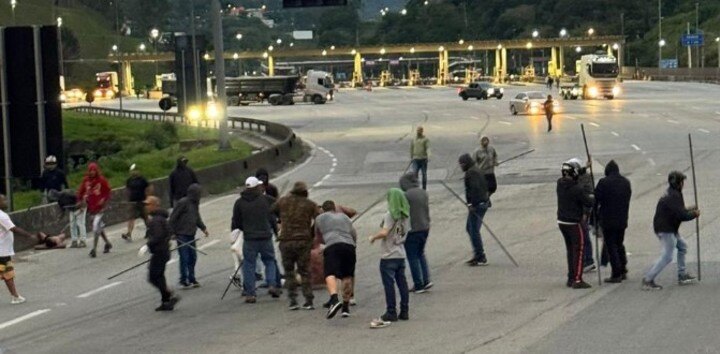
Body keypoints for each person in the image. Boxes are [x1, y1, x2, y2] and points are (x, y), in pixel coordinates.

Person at [641, 172, 700, 291]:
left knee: (682, 246)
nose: (683, 184)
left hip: (669, 227)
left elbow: (678, 210)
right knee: (667, 256)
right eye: (682, 182)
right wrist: (694, 214)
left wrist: (689, 209)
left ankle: (682, 275)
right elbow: (681, 215)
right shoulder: (673, 196)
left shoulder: (673, 193)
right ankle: (648, 279)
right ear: (677, 183)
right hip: (666, 229)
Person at [232, 177, 280, 303]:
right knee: (269, 261)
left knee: (249, 264)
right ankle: (272, 284)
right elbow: (275, 215)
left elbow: (236, 222)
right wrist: (276, 231)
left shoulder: (239, 203)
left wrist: (245, 229)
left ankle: (250, 293)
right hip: (265, 236)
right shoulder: (266, 200)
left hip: (249, 238)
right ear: (257, 187)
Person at [272, 182, 319, 310]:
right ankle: (308, 300)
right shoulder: (310, 204)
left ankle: (293, 300)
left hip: (286, 241)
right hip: (303, 241)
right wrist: (311, 232)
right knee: (304, 271)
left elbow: (271, 210)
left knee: (289, 272)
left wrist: (281, 219)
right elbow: (319, 217)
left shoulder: (283, 202)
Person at [368, 188, 410, 326]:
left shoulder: (390, 215)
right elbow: (401, 233)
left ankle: (391, 311)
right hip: (400, 253)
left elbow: (385, 232)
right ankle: (404, 310)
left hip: (388, 254)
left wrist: (373, 237)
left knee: (389, 285)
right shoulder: (405, 216)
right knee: (402, 283)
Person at [315, 200, 357, 319]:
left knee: (330, 273)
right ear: (334, 208)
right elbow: (353, 233)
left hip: (333, 246)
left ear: (323, 209)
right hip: (349, 246)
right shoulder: (344, 217)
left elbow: (318, 237)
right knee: (347, 276)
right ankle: (345, 307)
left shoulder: (320, 218)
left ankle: (334, 299)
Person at [557, 160, 595, 289]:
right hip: (574, 222)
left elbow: (576, 175)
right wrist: (594, 197)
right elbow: (589, 202)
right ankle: (578, 279)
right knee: (578, 250)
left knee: (570, 250)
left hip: (562, 221)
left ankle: (571, 277)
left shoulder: (560, 184)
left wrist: (584, 168)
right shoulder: (577, 189)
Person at [595, 160, 632, 283]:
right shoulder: (626, 183)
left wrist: (594, 216)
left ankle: (616, 273)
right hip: (622, 218)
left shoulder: (603, 183)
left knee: (611, 246)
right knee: (619, 244)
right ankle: (623, 268)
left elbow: (596, 200)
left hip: (608, 219)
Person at [1, 194, 40, 304]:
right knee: (8, 274)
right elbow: (13, 229)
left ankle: (15, 296)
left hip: (3, 250)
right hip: (2, 251)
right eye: (3, 200)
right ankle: (15, 296)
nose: (6, 202)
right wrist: (29, 236)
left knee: (7, 273)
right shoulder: (2, 216)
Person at [168, 183, 209, 289]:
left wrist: (203, 227)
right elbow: (172, 218)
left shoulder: (195, 203)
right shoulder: (183, 203)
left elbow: (197, 217)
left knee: (193, 257)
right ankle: (183, 280)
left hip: (191, 234)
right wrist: (172, 232)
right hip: (182, 235)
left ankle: (192, 278)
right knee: (184, 257)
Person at [144, 196, 180, 311]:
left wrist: (148, 244)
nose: (146, 207)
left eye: (148, 204)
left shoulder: (156, 220)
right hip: (163, 251)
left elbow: (158, 235)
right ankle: (165, 301)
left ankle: (169, 294)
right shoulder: (160, 218)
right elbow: (169, 231)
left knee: (153, 277)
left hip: (160, 252)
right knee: (159, 276)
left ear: (154, 205)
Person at [399, 172, 432, 293]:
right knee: (421, 253)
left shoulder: (406, 195)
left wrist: (399, 233)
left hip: (413, 229)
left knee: (412, 256)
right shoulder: (423, 192)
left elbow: (401, 215)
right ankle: (426, 280)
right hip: (425, 227)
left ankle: (418, 284)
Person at [458, 153, 490, 266]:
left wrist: (471, 204)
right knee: (470, 228)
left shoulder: (471, 173)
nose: (461, 167)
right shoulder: (476, 169)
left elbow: (474, 189)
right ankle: (477, 253)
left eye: (462, 164)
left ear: (466, 163)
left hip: (478, 205)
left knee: (473, 230)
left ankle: (481, 256)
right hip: (483, 202)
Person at [567, 158, 596, 273]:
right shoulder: (580, 177)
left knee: (583, 236)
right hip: (576, 212)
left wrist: (585, 213)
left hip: (583, 212)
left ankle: (588, 260)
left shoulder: (584, 179)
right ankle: (584, 260)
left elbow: (589, 197)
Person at [77, 163, 112, 258]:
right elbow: (80, 192)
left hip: (100, 208)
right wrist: (80, 201)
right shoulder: (86, 181)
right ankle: (107, 243)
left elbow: (107, 191)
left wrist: (103, 199)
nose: (92, 172)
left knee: (96, 226)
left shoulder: (101, 180)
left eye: (94, 170)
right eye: (90, 170)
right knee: (99, 227)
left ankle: (94, 249)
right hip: (90, 208)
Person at [122, 164, 152, 242]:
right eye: (132, 170)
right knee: (131, 218)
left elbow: (149, 187)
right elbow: (127, 190)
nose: (134, 172)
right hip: (133, 202)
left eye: (135, 170)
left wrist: (148, 198)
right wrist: (127, 200)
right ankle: (129, 234)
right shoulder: (129, 180)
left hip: (142, 201)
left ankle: (151, 230)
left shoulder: (142, 179)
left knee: (145, 217)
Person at [410, 126, 430, 190]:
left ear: (422, 131)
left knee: (424, 175)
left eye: (419, 130)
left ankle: (424, 188)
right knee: (415, 174)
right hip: (415, 159)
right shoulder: (413, 139)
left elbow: (428, 148)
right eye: (417, 130)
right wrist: (411, 157)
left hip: (423, 159)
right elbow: (411, 148)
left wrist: (428, 156)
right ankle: (416, 188)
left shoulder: (425, 139)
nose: (418, 132)